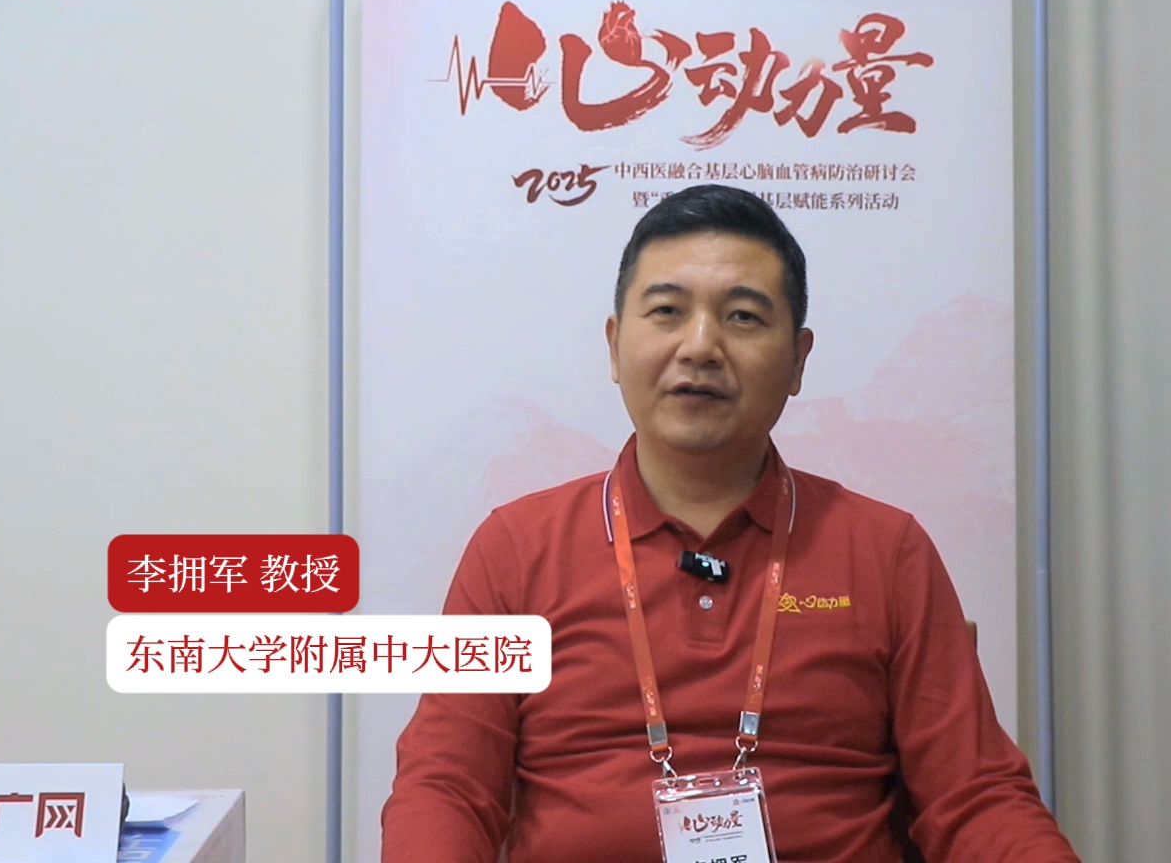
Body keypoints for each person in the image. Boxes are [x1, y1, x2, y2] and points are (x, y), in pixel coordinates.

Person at [381, 184, 1077, 862]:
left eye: (743, 317)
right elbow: (447, 785)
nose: (700, 346)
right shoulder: (516, 548)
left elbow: (974, 797)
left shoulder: (886, 550)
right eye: (667, 311)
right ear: (615, 345)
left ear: (798, 359)